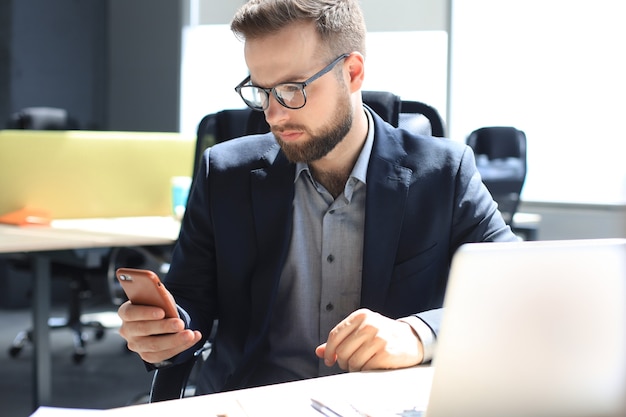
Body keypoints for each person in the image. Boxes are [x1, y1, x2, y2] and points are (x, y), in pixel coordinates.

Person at [118, 0, 518, 395]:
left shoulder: (444, 173)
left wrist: (417, 333)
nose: (273, 114)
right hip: (250, 402)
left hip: (381, 403)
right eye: (262, 91)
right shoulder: (223, 172)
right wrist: (162, 332)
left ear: (353, 72)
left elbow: (514, 292)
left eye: (292, 89)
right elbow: (190, 300)